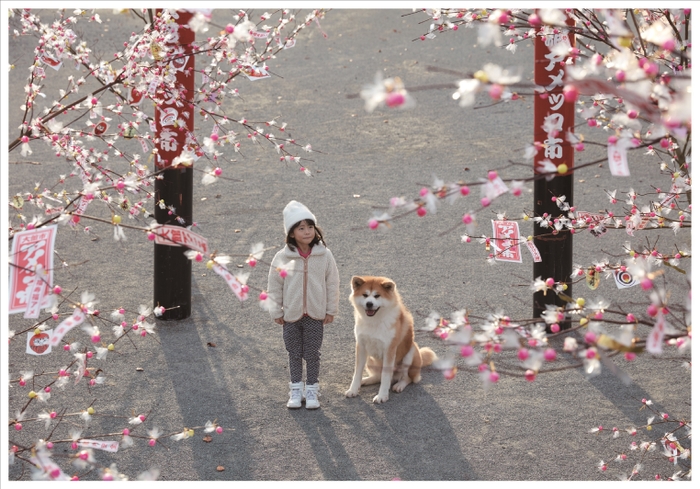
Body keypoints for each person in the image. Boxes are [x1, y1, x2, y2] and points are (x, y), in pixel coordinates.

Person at [267, 201, 340, 409]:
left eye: (310, 227)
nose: (307, 232)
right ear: (291, 233)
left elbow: (332, 283)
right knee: (293, 352)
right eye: (301, 228)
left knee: (312, 353)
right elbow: (274, 286)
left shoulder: (325, 255)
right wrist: (276, 310)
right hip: (291, 315)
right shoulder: (282, 257)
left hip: (316, 314)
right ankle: (296, 389)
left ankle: (312, 390)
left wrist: (331, 309)